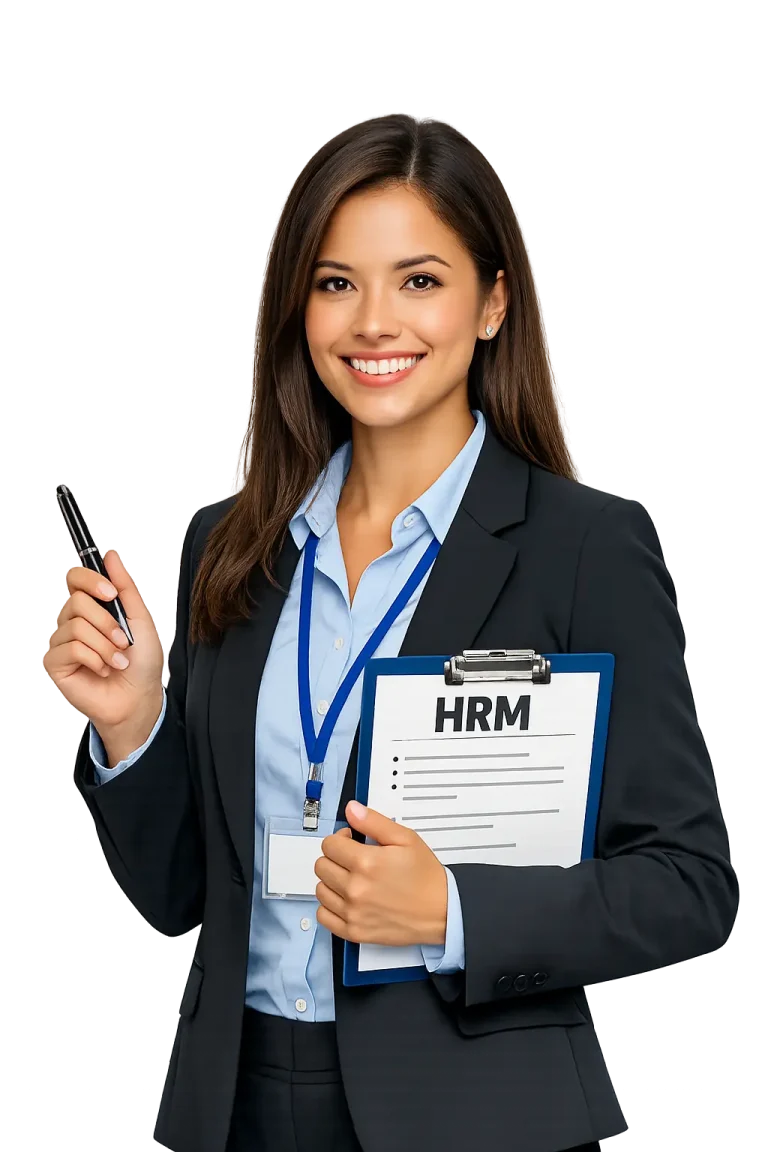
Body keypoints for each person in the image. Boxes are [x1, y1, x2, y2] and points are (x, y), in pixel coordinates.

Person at [42, 113, 739, 1152]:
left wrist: (452, 911)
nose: (374, 322)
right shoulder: (228, 545)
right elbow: (185, 897)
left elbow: (692, 886)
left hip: (474, 1116)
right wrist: (135, 723)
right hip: (231, 1105)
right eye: (335, 283)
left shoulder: (585, 546)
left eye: (419, 281)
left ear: (494, 301)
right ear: (297, 310)